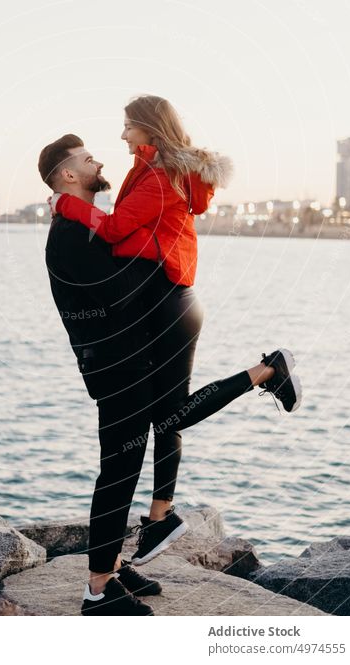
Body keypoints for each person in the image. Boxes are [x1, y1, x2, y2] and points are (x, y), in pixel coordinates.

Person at [39, 133, 302, 616]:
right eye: (86, 159)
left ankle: (114, 566)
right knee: (118, 471)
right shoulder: (70, 235)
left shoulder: (87, 227)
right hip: (116, 369)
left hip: (133, 360)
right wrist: (162, 250)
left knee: (158, 435)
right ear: (68, 175)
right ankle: (97, 593)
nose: (98, 161)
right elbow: (118, 294)